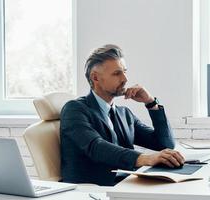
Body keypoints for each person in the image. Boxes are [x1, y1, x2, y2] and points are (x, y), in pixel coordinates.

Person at [60, 44, 185, 186]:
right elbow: (96, 147)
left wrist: (151, 103)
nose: (125, 79)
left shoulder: (123, 113)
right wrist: (146, 158)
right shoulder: (75, 109)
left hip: (126, 185)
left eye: (125, 72)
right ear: (95, 77)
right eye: (117, 73)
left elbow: (164, 143)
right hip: (93, 189)